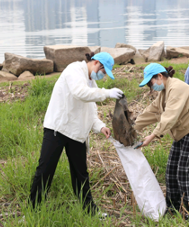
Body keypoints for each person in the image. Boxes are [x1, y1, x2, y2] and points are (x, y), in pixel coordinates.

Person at [29, 52, 124, 216]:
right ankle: (32, 211)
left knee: (81, 175)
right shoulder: (74, 70)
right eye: (103, 71)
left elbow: (90, 111)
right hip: (57, 129)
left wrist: (101, 126)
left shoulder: (92, 82)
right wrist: (107, 93)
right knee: (45, 171)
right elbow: (79, 93)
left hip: (77, 133)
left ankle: (90, 212)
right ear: (96, 63)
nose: (102, 76)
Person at [135, 63, 189, 216]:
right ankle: (173, 208)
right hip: (182, 132)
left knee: (184, 172)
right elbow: (151, 112)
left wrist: (153, 135)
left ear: (160, 76)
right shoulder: (164, 91)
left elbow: (170, 116)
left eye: (150, 82)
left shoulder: (176, 88)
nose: (151, 86)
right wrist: (133, 128)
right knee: (171, 171)